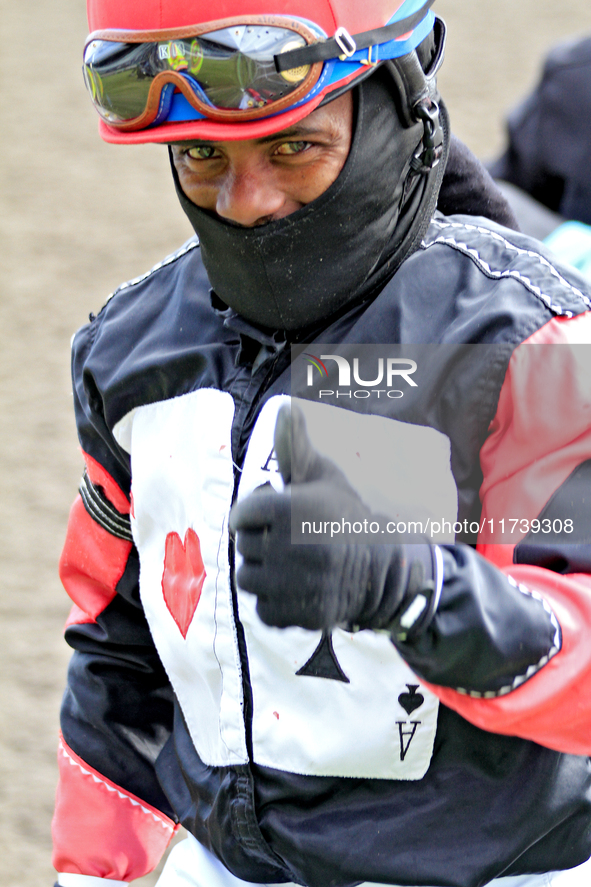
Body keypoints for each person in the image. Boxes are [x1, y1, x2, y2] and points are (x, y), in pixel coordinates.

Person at [52, 2, 591, 887]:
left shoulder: (528, 338)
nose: (248, 200)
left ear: (394, 97)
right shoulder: (128, 349)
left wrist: (423, 597)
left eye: (293, 147)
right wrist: (92, 870)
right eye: (200, 156)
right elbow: (119, 648)